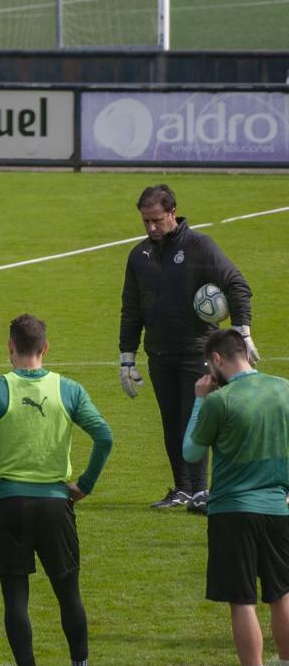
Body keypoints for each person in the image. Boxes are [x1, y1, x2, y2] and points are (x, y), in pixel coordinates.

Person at [0, 314, 113, 666]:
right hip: (56, 505)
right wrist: (84, 485)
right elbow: (104, 436)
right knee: (68, 591)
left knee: (15, 598)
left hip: (8, 506)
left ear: (10, 346)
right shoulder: (68, 390)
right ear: (46, 348)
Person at [119, 183, 254, 513]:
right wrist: (127, 357)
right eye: (145, 222)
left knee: (196, 421)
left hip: (198, 352)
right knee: (171, 423)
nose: (151, 228)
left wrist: (243, 333)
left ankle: (200, 491)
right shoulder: (139, 256)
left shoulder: (200, 246)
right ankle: (182, 489)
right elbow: (131, 308)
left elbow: (237, 284)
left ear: (173, 213)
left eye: (157, 220)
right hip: (159, 354)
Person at [182, 328, 289, 666]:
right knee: (281, 594)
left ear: (216, 361)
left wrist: (199, 400)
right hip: (279, 507)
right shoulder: (284, 389)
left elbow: (191, 452)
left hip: (232, 511)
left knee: (242, 600)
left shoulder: (218, 401)